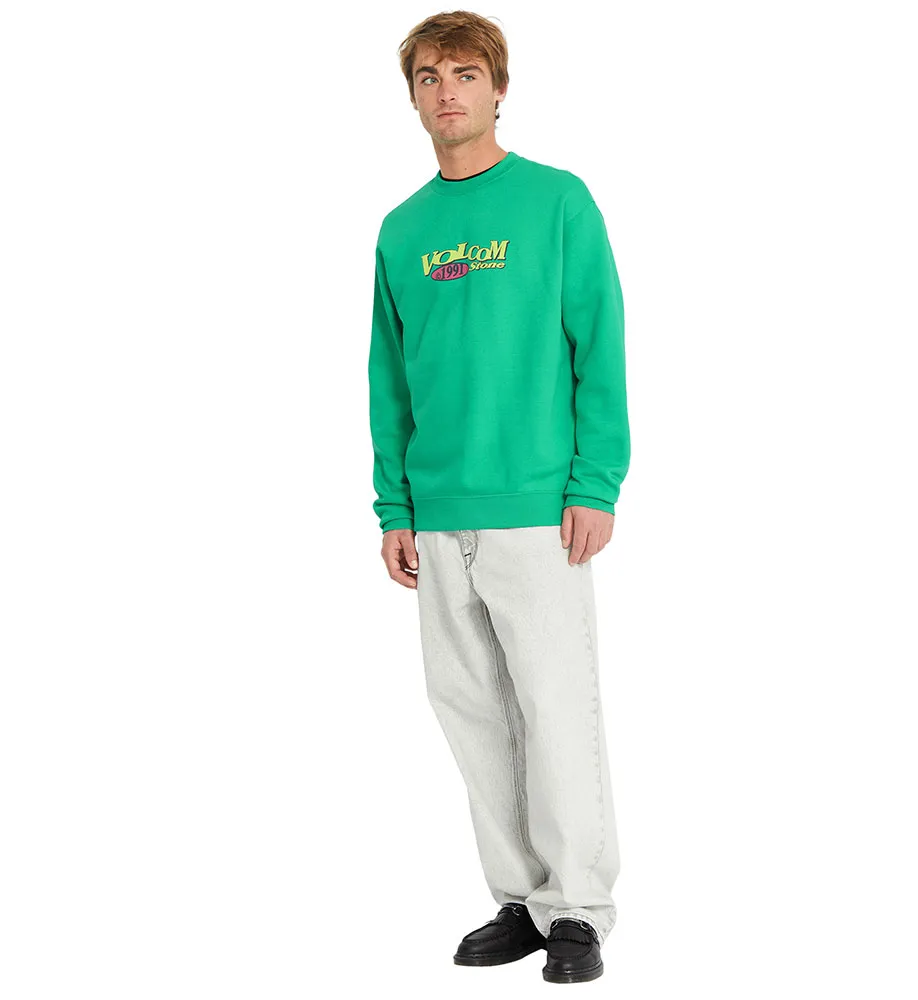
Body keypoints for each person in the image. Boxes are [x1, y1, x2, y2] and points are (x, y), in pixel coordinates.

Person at [367, 10, 630, 985]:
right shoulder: (402, 230)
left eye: (465, 74)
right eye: (429, 77)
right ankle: (521, 898)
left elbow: (599, 345)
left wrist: (594, 482)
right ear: (413, 98)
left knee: (556, 710)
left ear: (499, 88)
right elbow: (389, 380)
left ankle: (579, 908)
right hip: (439, 518)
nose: (447, 92)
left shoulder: (557, 202)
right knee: (473, 714)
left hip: (536, 512)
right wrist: (395, 508)